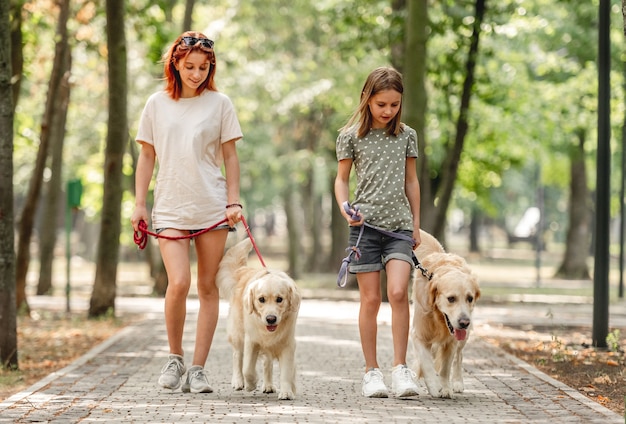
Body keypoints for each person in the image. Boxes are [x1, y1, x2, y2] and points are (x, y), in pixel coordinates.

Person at [130, 31, 243, 393]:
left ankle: (198, 368)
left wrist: (234, 201)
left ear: (211, 67)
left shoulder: (220, 103)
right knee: (178, 283)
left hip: (211, 206)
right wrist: (139, 204)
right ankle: (175, 358)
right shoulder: (156, 104)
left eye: (203, 67)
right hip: (170, 207)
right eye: (189, 66)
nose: (196, 73)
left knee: (207, 287)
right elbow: (146, 156)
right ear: (175, 64)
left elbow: (230, 157)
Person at [334, 66, 422, 398]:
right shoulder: (350, 136)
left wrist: (415, 224)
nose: (388, 111)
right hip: (364, 229)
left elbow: (411, 180)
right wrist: (345, 208)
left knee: (398, 293)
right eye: (381, 104)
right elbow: (341, 180)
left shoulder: (407, 135)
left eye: (394, 105)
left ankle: (400, 368)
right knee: (370, 299)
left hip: (399, 226)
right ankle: (372, 371)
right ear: (367, 99)